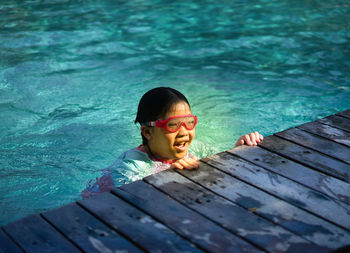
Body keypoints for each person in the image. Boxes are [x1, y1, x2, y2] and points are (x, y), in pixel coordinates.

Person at [81, 87, 263, 198]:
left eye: (189, 123)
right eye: (173, 125)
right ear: (147, 132)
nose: (184, 132)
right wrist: (169, 175)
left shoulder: (196, 148)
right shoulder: (133, 164)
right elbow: (133, 198)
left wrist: (237, 149)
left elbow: (218, 163)